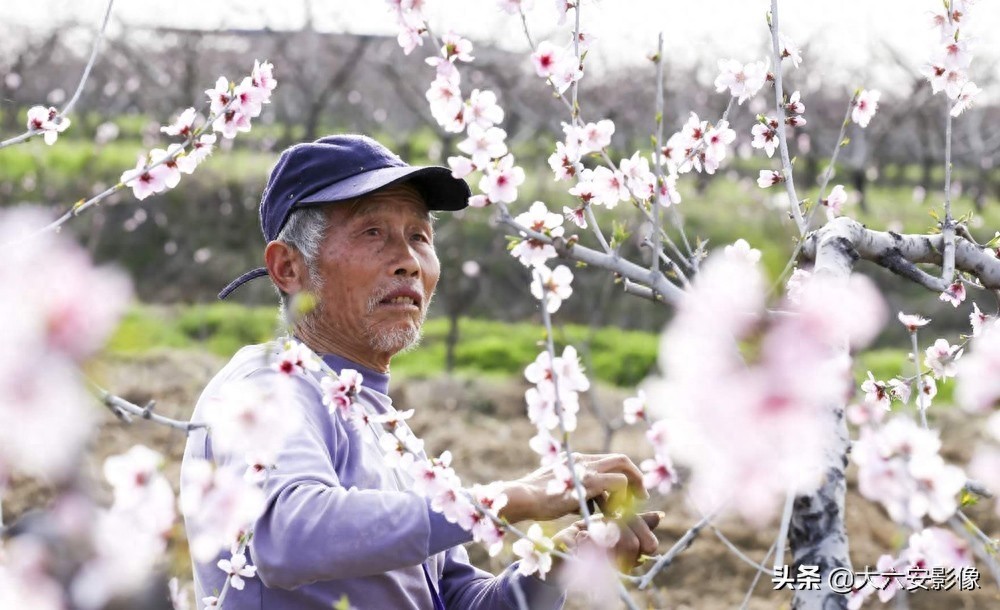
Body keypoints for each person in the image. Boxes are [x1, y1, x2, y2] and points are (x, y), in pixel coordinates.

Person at [180, 135, 659, 609]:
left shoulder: (381, 423)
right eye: (373, 233)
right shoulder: (269, 387)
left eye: (419, 237)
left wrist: (555, 566)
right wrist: (510, 498)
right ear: (288, 267)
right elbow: (287, 534)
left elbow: (456, 599)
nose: (407, 262)